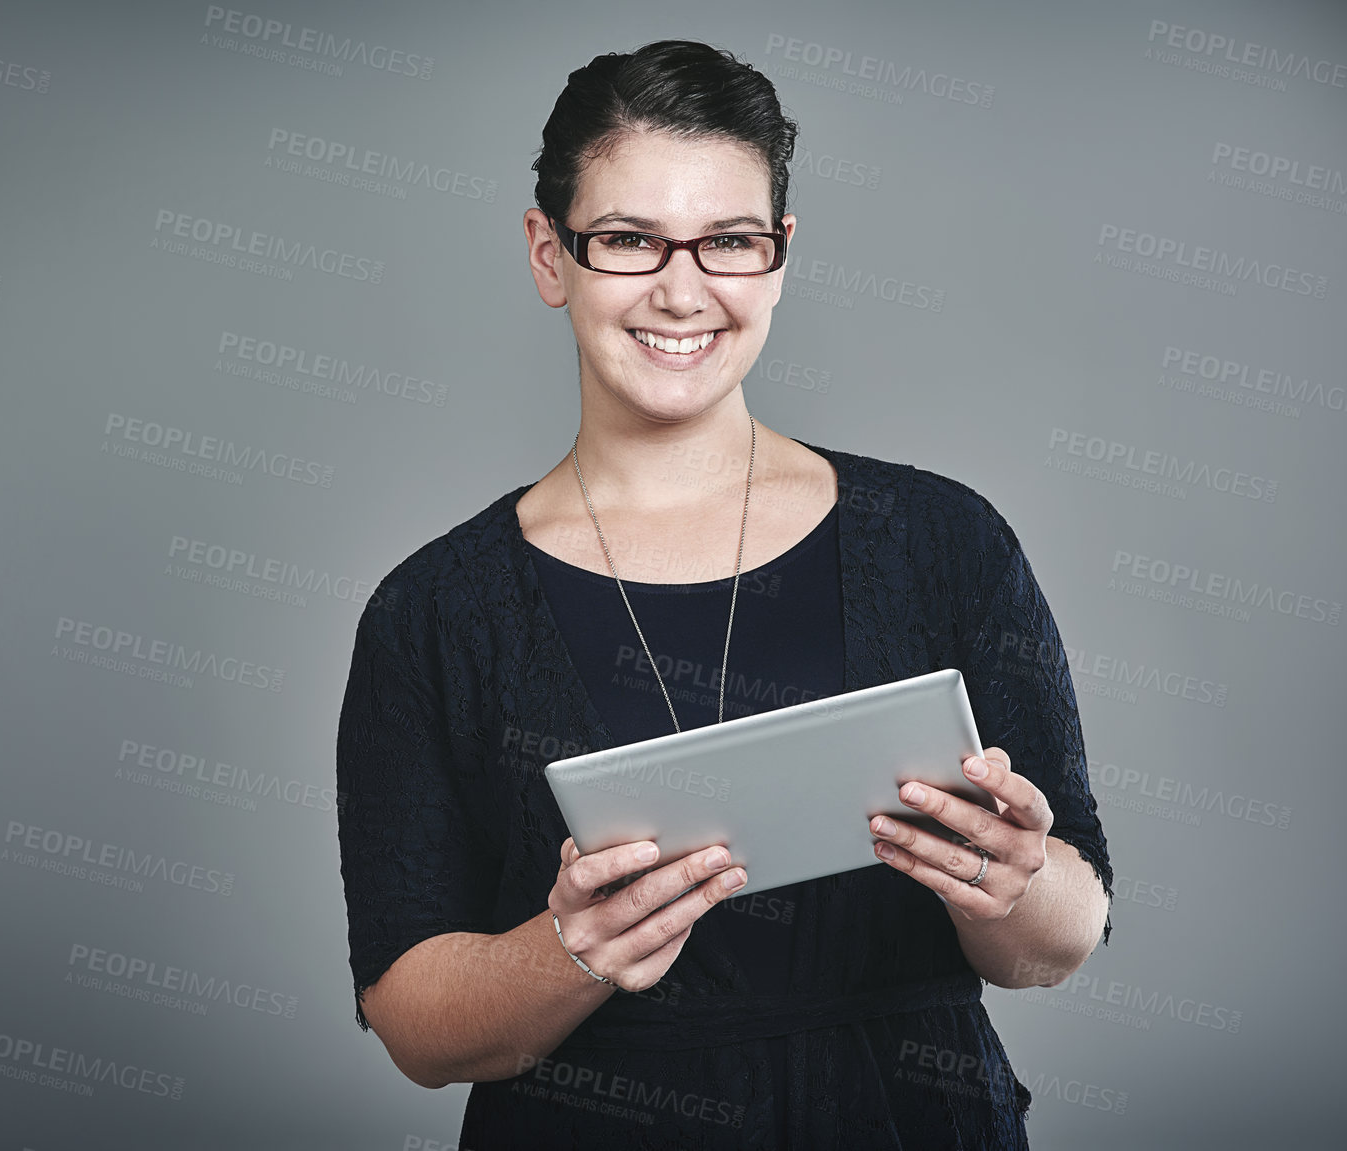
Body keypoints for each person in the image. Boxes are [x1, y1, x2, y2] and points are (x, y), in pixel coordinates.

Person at [336, 39, 1112, 1150]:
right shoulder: (435, 608)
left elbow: (1061, 937)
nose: (682, 287)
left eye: (729, 241)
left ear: (779, 255)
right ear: (549, 255)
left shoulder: (945, 541)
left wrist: (1013, 879)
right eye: (628, 239)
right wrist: (568, 951)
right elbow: (412, 1017)